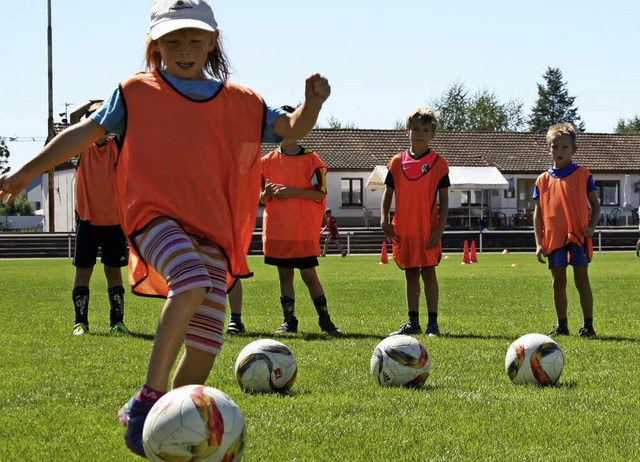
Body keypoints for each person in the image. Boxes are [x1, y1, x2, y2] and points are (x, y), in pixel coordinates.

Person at [0, 0, 330, 457]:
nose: (184, 48)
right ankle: (147, 401)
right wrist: (22, 174)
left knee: (207, 341)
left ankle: (173, 425)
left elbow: (291, 127)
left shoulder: (242, 101)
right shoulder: (135, 93)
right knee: (190, 281)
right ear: (154, 45)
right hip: (154, 218)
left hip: (213, 233)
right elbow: (81, 136)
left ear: (213, 42)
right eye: (172, 39)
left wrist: (312, 104)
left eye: (195, 38)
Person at [261, 106, 342, 336]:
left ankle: (325, 321)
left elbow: (320, 194)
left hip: (302, 229)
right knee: (284, 275)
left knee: (309, 275)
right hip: (277, 229)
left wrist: (292, 191)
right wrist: (266, 195)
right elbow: (259, 197)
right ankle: (289, 321)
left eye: (292, 125)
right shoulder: (265, 162)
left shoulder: (312, 160)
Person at [381, 107, 450, 337]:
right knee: (410, 274)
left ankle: (433, 324)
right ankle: (413, 322)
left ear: (433, 134)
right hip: (404, 230)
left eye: (426, 130)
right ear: (407, 131)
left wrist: (439, 229)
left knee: (429, 273)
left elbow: (445, 199)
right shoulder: (396, 162)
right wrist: (384, 219)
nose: (420, 133)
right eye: (416, 129)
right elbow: (388, 192)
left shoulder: (439, 163)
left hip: (428, 230)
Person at [533, 123, 600, 338]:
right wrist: (538, 242)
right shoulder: (542, 180)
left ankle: (588, 326)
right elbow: (538, 213)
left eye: (564, 147)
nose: (559, 152)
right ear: (548, 149)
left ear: (573, 150)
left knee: (582, 280)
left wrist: (592, 226)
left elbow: (595, 205)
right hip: (554, 238)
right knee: (558, 282)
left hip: (578, 236)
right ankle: (562, 326)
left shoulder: (583, 175)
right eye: (555, 147)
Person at [68, 100, 130, 336]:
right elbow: (74, 118)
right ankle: (80, 323)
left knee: (114, 273)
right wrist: (90, 105)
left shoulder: (118, 145)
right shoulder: (83, 147)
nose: (98, 124)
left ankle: (117, 322)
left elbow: (130, 121)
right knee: (83, 272)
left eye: (102, 119)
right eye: (94, 119)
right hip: (87, 221)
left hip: (115, 222)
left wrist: (111, 108)